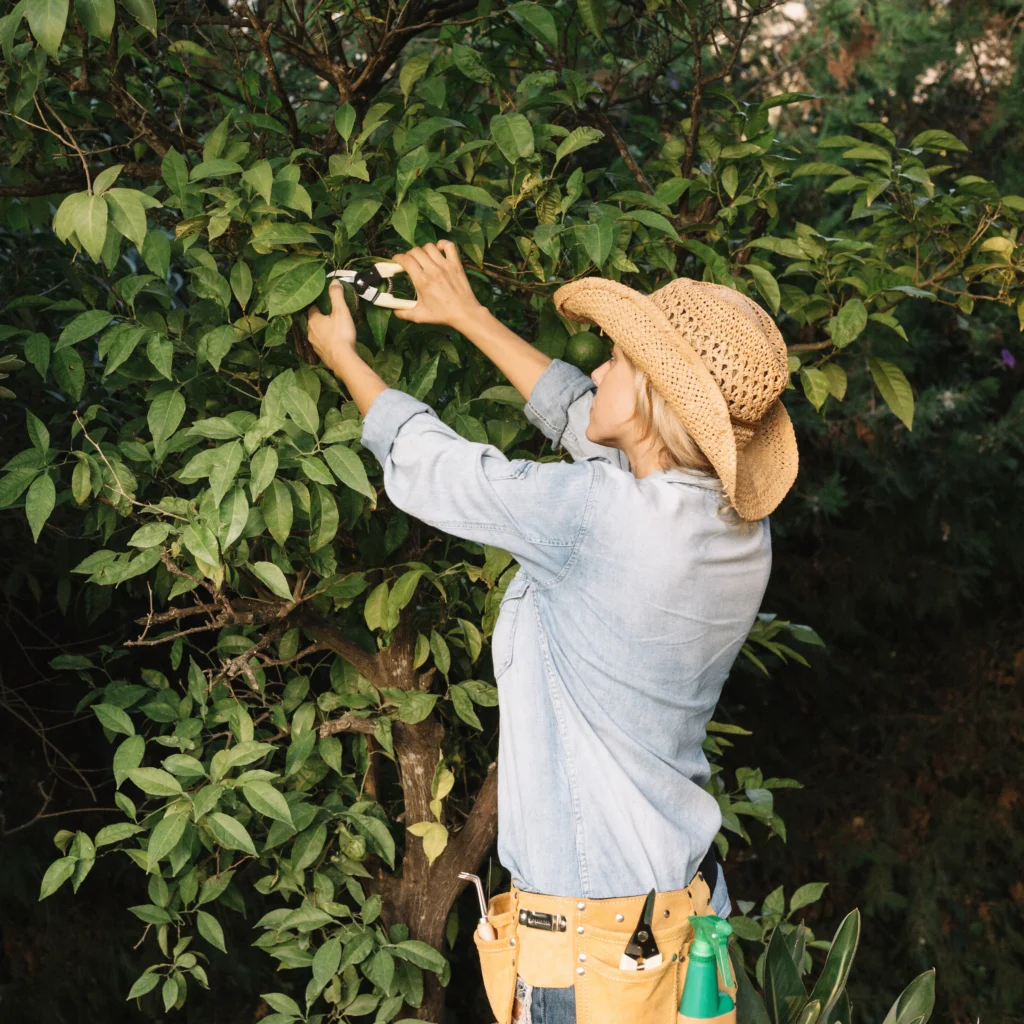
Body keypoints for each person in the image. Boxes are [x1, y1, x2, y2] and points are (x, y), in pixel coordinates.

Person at [305, 240, 799, 1024]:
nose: (597, 372)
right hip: (686, 915)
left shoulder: (595, 518)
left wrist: (342, 358)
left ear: (647, 403)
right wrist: (468, 316)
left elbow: (439, 468)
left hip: (593, 949)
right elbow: (587, 420)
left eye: (615, 363)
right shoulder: (734, 525)